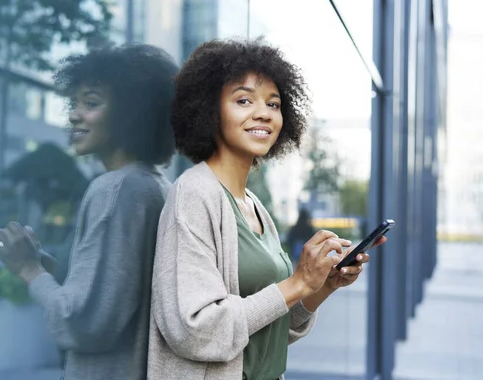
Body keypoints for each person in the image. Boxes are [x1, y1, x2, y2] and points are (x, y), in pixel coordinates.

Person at [147, 38, 386, 380]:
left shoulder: (255, 206)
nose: (263, 113)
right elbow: (194, 330)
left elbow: (271, 329)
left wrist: (320, 286)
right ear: (208, 111)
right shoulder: (194, 193)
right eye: (243, 100)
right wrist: (297, 283)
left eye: (273, 104)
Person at [0, 44, 179, 380]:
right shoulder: (157, 186)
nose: (75, 115)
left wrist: (29, 270)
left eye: (91, 103)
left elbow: (81, 322)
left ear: (130, 112)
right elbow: (118, 294)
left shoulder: (115, 189)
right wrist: (49, 271)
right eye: (74, 104)